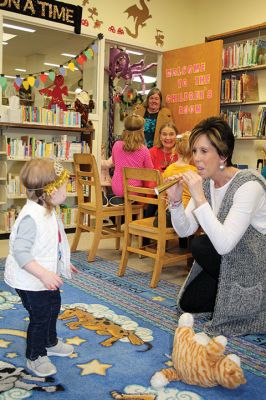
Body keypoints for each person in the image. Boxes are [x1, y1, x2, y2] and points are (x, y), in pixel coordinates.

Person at [167, 116, 266, 337]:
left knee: (203, 245)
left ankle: (245, 300)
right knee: (188, 304)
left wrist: (199, 197)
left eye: (204, 151)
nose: (197, 159)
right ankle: (227, 294)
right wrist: (175, 203)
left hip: (255, 262)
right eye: (194, 151)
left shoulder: (249, 185)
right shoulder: (207, 182)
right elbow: (184, 230)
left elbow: (223, 245)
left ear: (223, 154)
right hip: (231, 259)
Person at [4, 159, 78, 377]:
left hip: (45, 277)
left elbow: (51, 242)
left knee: (53, 306)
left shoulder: (48, 210)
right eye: (64, 186)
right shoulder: (30, 217)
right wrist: (44, 273)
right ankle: (35, 355)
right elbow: (21, 253)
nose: (68, 190)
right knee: (41, 316)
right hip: (29, 280)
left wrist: (63, 262)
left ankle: (50, 341)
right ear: (50, 191)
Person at [106, 113, 154, 206]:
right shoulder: (144, 150)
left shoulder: (116, 145)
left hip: (116, 189)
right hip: (134, 192)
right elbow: (150, 172)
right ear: (141, 131)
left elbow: (115, 163)